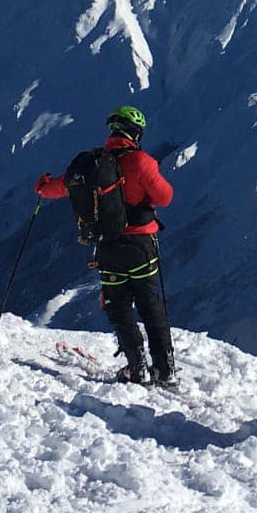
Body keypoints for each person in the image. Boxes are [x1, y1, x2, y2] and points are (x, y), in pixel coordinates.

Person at [35, 105, 177, 386]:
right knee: (151, 306)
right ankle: (165, 370)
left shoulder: (93, 165)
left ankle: (136, 367)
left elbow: (58, 188)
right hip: (141, 246)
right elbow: (165, 197)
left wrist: (42, 186)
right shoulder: (142, 162)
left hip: (108, 247)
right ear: (136, 134)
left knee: (118, 306)